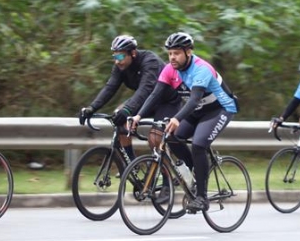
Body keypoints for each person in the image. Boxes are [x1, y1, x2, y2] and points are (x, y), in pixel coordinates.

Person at [131, 32, 238, 213]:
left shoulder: (201, 69)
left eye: (177, 53)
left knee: (198, 144)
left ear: (188, 52)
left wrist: (176, 118)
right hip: (198, 111)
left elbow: (194, 99)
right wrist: (138, 116)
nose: (172, 57)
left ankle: (202, 198)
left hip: (220, 109)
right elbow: (155, 94)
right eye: (170, 53)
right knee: (172, 137)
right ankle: (192, 171)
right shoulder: (169, 69)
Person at [77, 35, 179, 159]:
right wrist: (92, 108)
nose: (117, 61)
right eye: (114, 57)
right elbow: (110, 87)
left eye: (120, 56)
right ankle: (131, 164)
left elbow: (145, 89)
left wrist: (127, 110)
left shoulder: (150, 62)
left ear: (133, 53)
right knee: (119, 119)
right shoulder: (121, 67)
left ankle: (166, 176)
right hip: (147, 100)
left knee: (154, 139)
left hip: (167, 101)